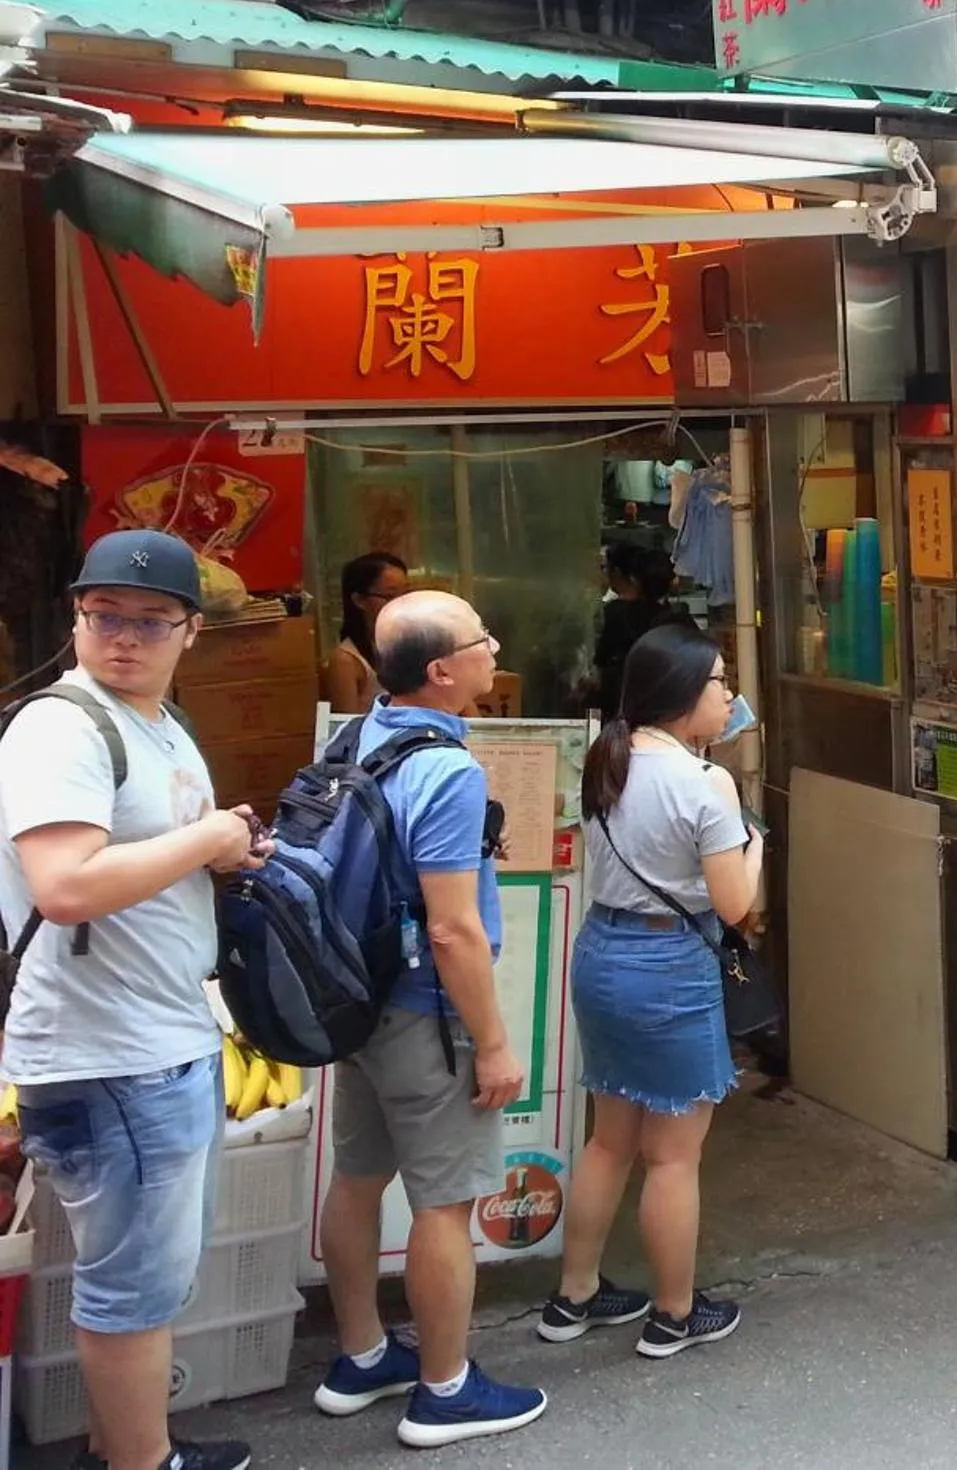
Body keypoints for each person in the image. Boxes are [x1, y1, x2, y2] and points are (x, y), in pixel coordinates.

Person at [1, 531, 270, 1470]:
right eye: (104, 615)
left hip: (158, 1037)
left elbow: (148, 857)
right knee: (133, 1292)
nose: (123, 635)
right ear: (76, 617)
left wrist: (225, 850)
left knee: (147, 1279)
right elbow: (64, 886)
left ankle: (122, 1448)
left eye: (151, 621)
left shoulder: (156, 723)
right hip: (110, 1052)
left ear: (191, 630)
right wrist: (208, 842)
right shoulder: (63, 728)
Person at [313, 591, 546, 1447]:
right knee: (445, 1204)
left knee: (357, 1178)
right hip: (424, 1016)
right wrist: (493, 1043)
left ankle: (362, 1357)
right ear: (443, 671)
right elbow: (452, 929)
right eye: (483, 640)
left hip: (356, 1001)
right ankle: (444, 1389)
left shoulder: (356, 735)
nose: (496, 649)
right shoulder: (446, 770)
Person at [539, 622, 763, 1359]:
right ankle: (673, 1314)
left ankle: (574, 1295)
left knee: (610, 1139)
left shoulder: (606, 759)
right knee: (672, 1154)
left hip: (603, 953)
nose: (729, 695)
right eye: (720, 681)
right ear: (683, 693)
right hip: (669, 967)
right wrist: (756, 845)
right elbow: (735, 906)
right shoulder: (705, 783)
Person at [590, 544, 675, 722]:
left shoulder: (616, 612)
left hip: (624, 703)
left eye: (605, 568)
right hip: (663, 702)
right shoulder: (673, 616)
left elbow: (601, 659)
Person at [326, 551, 409, 714]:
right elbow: (347, 725)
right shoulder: (346, 661)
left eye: (405, 594)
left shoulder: (410, 645)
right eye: (390, 596)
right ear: (359, 600)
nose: (401, 603)